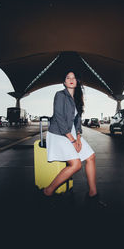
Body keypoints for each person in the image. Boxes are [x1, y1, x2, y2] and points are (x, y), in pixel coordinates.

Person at [43, 70, 106, 208]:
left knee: (91, 157)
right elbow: (58, 117)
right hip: (59, 134)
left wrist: (78, 137)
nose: (71, 79)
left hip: (71, 133)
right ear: (64, 82)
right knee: (76, 165)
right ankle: (48, 191)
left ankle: (92, 194)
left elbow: (78, 120)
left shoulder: (77, 98)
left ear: (77, 81)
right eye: (67, 78)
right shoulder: (60, 95)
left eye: (73, 78)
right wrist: (72, 140)